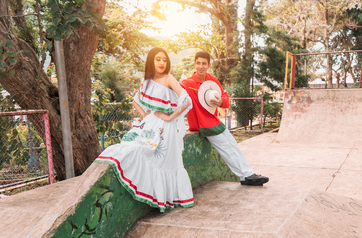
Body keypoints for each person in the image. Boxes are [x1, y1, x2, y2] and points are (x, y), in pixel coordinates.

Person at [95, 47, 193, 212]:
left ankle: (168, 198)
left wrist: (170, 117)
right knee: (130, 149)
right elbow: (136, 101)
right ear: (151, 61)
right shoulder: (147, 81)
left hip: (166, 129)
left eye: (164, 59)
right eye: (158, 59)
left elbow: (187, 101)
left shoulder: (169, 79)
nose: (162, 63)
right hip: (150, 124)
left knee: (160, 159)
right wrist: (145, 114)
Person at [181, 50, 269, 186]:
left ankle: (246, 175)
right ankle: (247, 175)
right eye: (198, 63)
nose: (200, 66)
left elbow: (225, 97)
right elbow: (175, 93)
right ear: (194, 64)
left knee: (232, 144)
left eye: (204, 63)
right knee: (226, 148)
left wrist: (221, 102)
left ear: (209, 65)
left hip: (213, 121)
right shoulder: (188, 83)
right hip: (202, 124)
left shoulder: (212, 80)